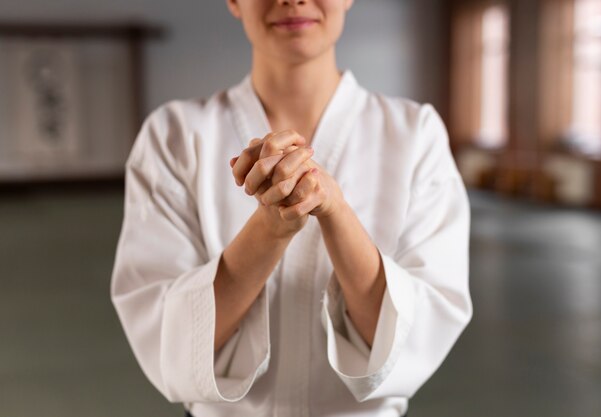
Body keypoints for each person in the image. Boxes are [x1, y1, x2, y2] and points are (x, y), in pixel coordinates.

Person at [110, 0, 473, 416]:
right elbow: (170, 341)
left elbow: (411, 339)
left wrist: (334, 211)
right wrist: (270, 228)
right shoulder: (174, 135)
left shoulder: (414, 134)